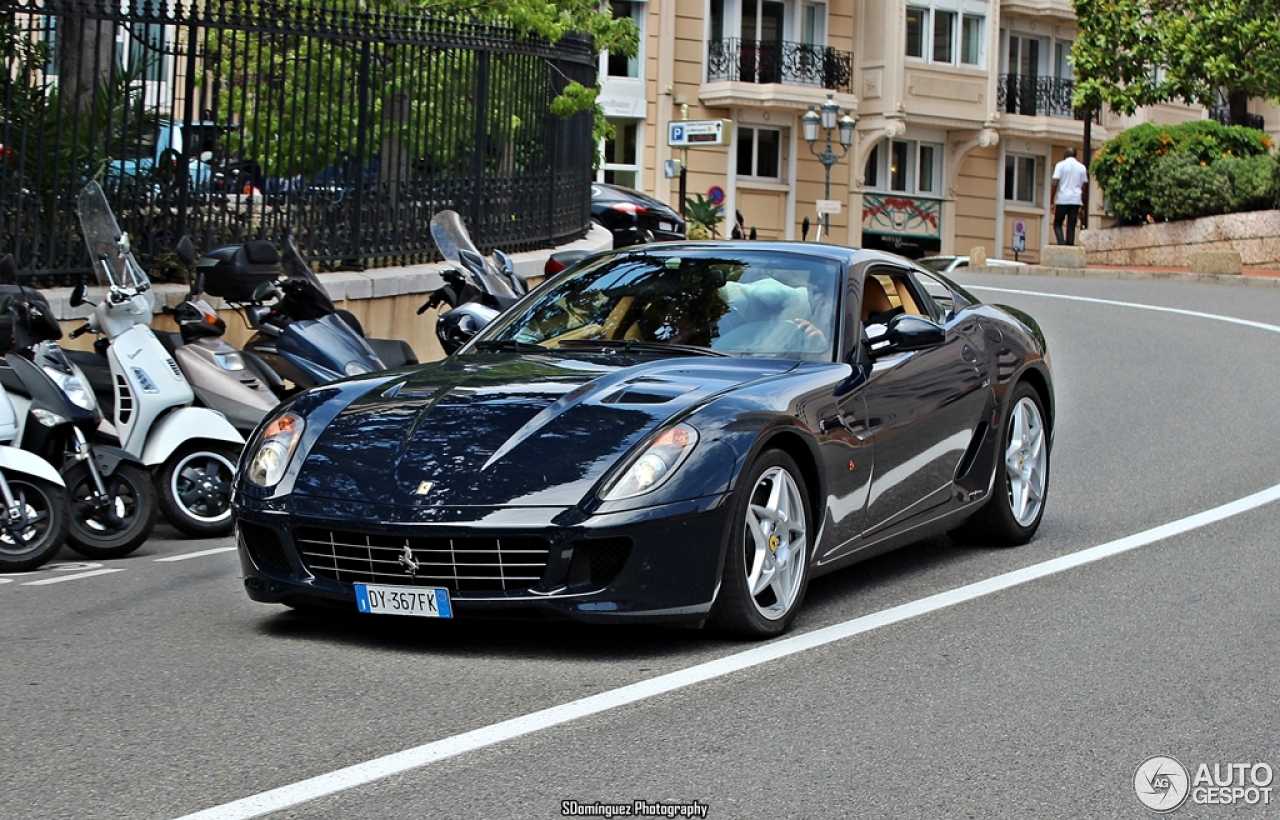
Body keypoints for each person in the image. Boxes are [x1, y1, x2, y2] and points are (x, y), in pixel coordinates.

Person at [1051, 147, 1089, 246]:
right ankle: (1069, 245)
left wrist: (1052, 201)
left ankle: (1061, 243)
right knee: (1071, 226)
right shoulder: (1082, 168)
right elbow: (1084, 188)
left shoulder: (1060, 165)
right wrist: (1084, 207)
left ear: (1065, 154)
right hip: (1076, 200)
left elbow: (1055, 183)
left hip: (1063, 199)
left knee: (1057, 224)